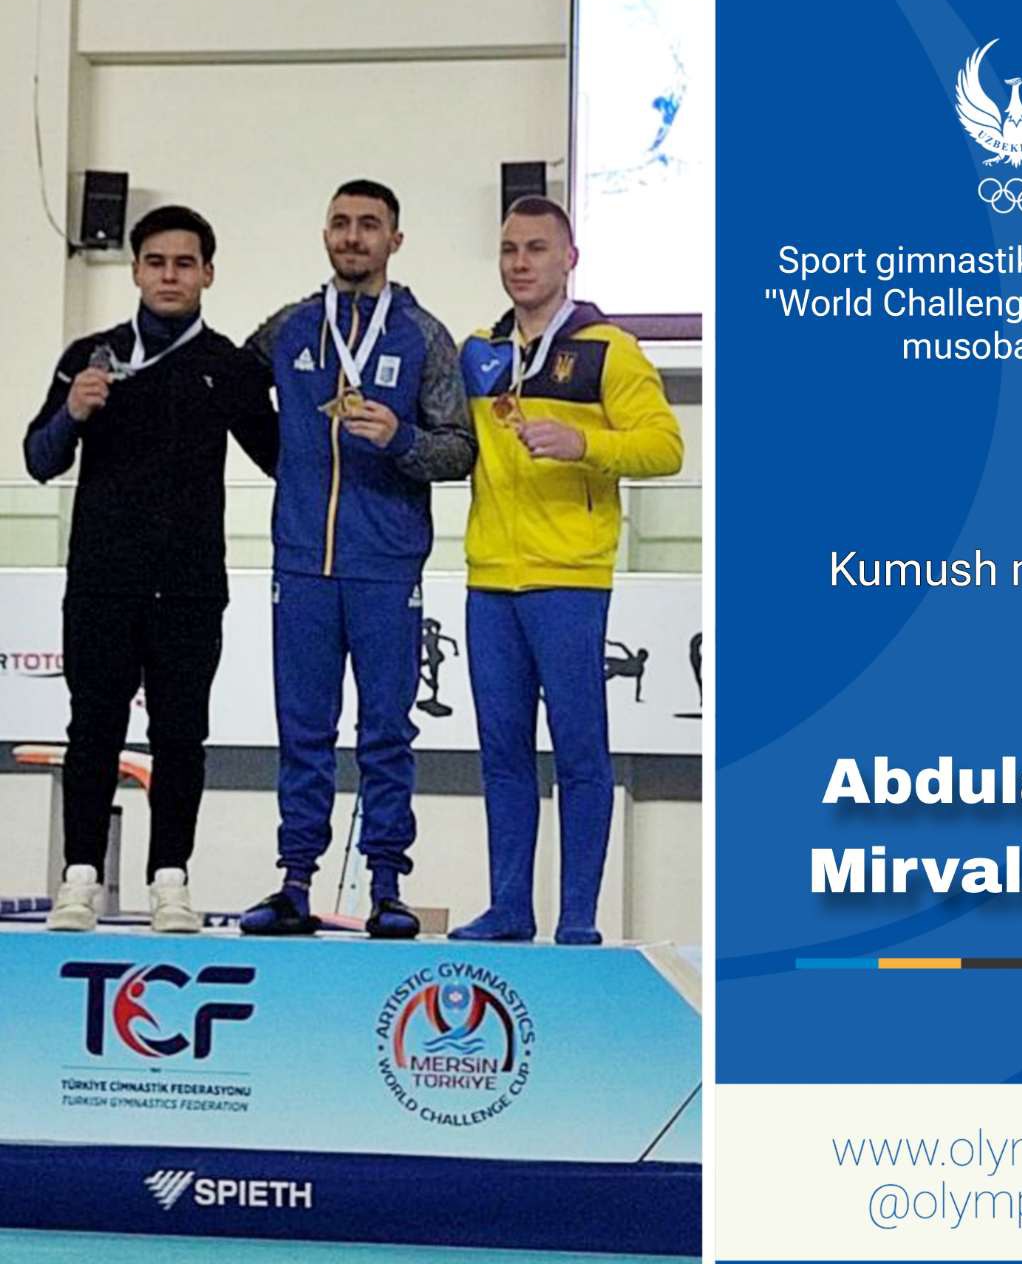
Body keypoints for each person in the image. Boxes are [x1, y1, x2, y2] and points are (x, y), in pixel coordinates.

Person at [23, 205, 278, 933]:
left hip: (190, 587)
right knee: (92, 729)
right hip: (102, 582)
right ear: (136, 270)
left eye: (184, 264)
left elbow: (283, 458)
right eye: (157, 263)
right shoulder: (92, 355)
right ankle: (79, 878)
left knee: (180, 737)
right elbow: (39, 460)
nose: (170, 276)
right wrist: (72, 412)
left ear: (208, 274)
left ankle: (172, 880)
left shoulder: (227, 365)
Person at [239, 179, 474, 939]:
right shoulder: (289, 328)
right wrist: (287, 464)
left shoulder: (424, 336)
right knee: (303, 730)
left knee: (385, 733)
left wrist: (400, 440)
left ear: (394, 241)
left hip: (386, 565)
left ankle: (386, 887)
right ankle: (295, 882)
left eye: (369, 224)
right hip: (303, 563)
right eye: (340, 222)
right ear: (325, 234)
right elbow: (234, 393)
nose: (352, 236)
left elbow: (460, 450)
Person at [450, 196, 683, 946]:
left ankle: (577, 917)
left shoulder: (609, 350)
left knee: (581, 753)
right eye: (509, 249)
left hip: (570, 578)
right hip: (491, 578)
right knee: (502, 754)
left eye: (537, 249)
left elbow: (665, 447)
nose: (521, 263)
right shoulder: (478, 351)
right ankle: (508, 907)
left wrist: (586, 446)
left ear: (570, 259)